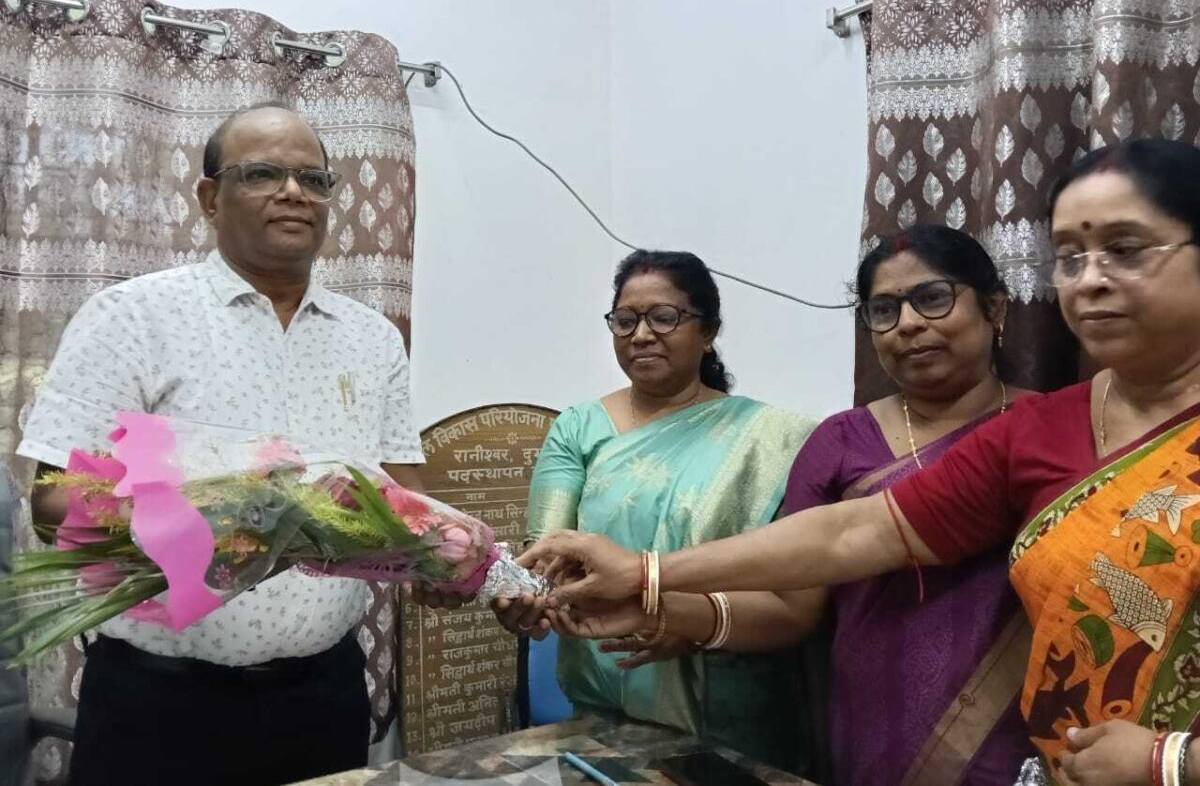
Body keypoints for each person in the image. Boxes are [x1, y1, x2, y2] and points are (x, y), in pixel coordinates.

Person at [523, 140, 1200, 785]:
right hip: (960, 748)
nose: (1091, 280)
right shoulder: (1041, 430)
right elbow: (860, 533)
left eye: (1125, 249)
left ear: (994, 308)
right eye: (1070, 257)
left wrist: (1171, 762)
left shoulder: (1018, 417)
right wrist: (646, 576)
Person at [19, 103, 426, 786]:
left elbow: (406, 495)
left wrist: (445, 561)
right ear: (210, 198)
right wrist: (234, 522)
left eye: (314, 179)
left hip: (323, 696)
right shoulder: (134, 316)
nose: (294, 192)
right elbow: (56, 505)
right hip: (160, 703)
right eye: (262, 174)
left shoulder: (372, 337)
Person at [494, 249, 818, 772]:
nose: (641, 334)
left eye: (664, 317)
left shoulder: (770, 440)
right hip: (604, 705)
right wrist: (525, 601)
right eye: (625, 320)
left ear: (708, 331)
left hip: (727, 707)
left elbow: (789, 590)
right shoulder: (578, 428)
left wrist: (681, 616)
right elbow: (546, 558)